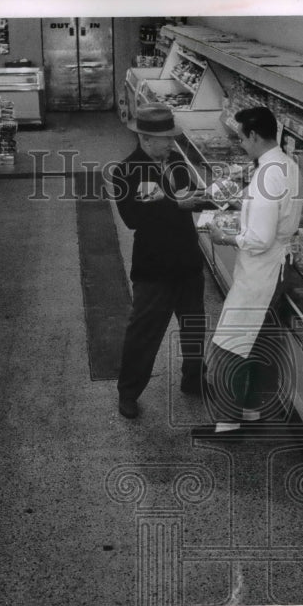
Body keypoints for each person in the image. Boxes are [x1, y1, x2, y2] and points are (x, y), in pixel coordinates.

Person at [193, 106, 303, 438]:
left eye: (241, 137)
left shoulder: (268, 174)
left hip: (262, 272)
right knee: (258, 342)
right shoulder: (286, 164)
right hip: (279, 266)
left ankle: (228, 424)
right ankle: (252, 410)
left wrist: (223, 236)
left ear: (255, 135)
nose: (240, 143)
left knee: (229, 345)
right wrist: (245, 202)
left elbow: (259, 238)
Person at [111, 103, 214, 419]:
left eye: (172, 137)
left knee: (194, 326)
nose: (172, 143)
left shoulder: (178, 164)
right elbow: (132, 218)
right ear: (145, 137)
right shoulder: (127, 171)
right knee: (144, 333)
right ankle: (128, 392)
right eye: (166, 138)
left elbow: (192, 194)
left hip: (187, 261)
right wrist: (177, 204)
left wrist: (219, 197)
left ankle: (193, 379)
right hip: (154, 268)